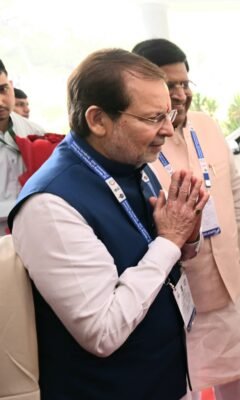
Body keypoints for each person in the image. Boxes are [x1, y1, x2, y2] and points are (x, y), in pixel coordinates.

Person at [8, 48, 209, 399]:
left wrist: (187, 238)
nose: (168, 129)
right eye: (153, 118)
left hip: (165, 374)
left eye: (168, 114)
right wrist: (170, 242)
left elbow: (156, 252)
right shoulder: (50, 205)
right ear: (98, 120)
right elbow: (102, 331)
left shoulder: (130, 161)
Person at [133, 38, 240, 400]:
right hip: (178, 289)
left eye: (184, 84)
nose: (180, 94)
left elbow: (235, 192)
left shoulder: (207, 126)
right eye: (168, 85)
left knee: (235, 378)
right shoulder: (139, 144)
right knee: (182, 382)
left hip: (227, 280)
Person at [0, 60, 44, 235]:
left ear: (11, 85)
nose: (0, 101)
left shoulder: (36, 133)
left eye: (3, 89)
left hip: (34, 233)